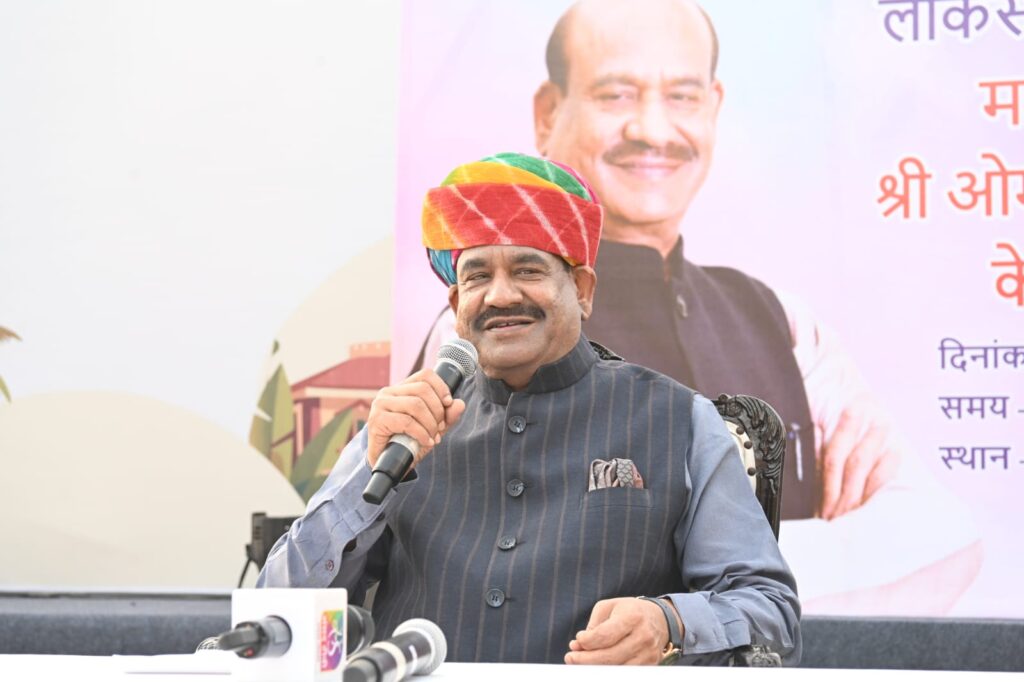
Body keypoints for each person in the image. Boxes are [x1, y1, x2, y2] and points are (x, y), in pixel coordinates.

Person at [411, 0, 981, 613]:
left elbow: (941, 536)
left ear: (713, 107)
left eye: (682, 97)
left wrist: (705, 577)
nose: (653, 130)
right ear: (548, 113)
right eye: (616, 95)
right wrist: (818, 550)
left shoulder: (779, 322)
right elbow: (497, 555)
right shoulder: (495, 323)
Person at [259, 153, 801, 666]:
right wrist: (365, 475)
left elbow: (772, 615)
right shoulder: (406, 427)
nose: (500, 296)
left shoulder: (681, 421)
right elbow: (277, 615)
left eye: (527, 270)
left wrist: (670, 622)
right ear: (457, 305)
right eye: (477, 276)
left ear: (582, 290)